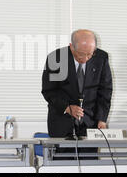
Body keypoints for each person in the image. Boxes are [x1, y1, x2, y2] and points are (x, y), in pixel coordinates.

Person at [42, 29, 113, 159]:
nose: (85, 59)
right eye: (81, 54)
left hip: (90, 123)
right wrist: (67, 108)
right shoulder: (56, 58)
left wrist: (102, 118)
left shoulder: (101, 58)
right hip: (61, 123)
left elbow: (105, 90)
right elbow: (49, 91)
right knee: (62, 163)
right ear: (71, 46)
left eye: (90, 54)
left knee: (89, 163)